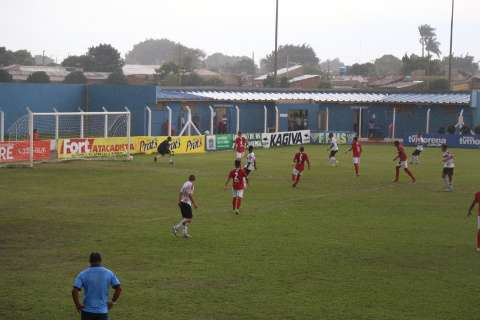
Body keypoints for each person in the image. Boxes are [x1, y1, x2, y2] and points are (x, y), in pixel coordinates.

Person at [72, 252, 122, 320]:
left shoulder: (83, 274)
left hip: (87, 311)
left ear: (89, 261)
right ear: (101, 260)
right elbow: (118, 289)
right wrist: (113, 302)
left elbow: (74, 290)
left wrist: (77, 305)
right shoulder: (109, 273)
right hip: (102, 311)